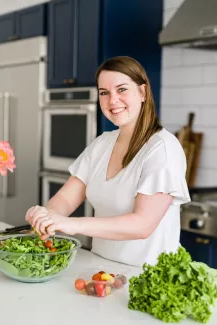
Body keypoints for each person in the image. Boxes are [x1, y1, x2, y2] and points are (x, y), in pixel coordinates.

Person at [25, 56, 190, 267]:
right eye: (104, 93)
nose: (112, 100)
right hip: (102, 272)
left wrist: (72, 224)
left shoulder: (162, 148)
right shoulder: (102, 144)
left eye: (122, 90)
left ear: (143, 92)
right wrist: (46, 216)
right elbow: (66, 199)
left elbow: (142, 225)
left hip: (147, 277)